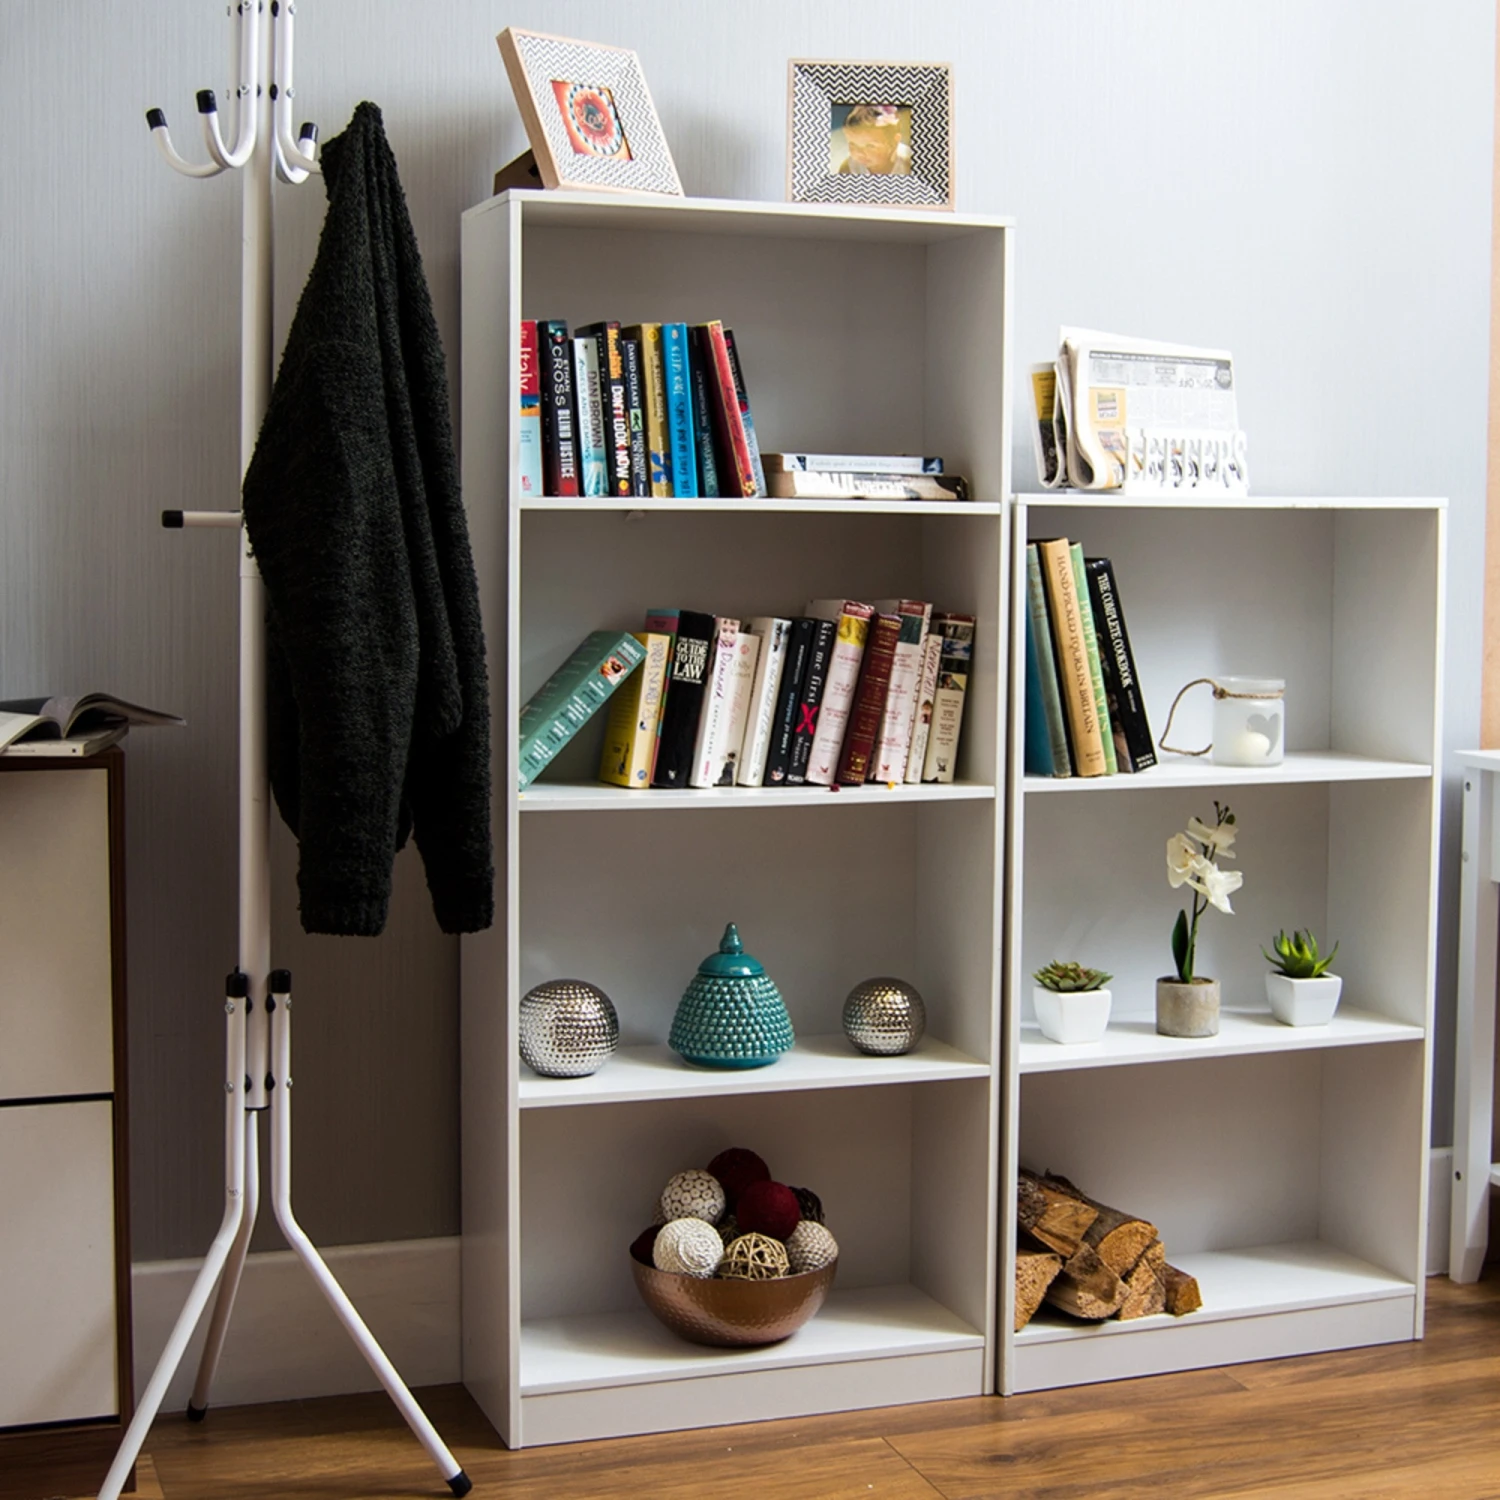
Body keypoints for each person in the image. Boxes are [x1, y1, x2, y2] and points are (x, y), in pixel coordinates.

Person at [837, 104, 912, 176]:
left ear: (894, 142)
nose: (859, 153)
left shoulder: (908, 163)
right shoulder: (848, 168)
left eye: (870, 146)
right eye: (852, 144)